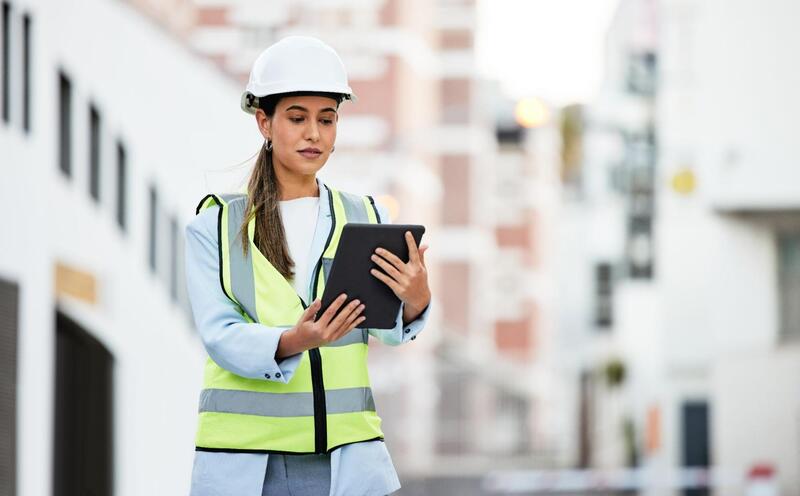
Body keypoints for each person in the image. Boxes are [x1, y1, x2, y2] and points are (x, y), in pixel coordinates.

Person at [184, 35, 432, 496]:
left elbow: (383, 327)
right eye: (297, 118)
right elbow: (219, 334)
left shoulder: (366, 216)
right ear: (264, 122)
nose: (314, 133)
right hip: (249, 465)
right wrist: (295, 339)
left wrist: (416, 302)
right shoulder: (215, 226)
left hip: (347, 462)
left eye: (327, 119)